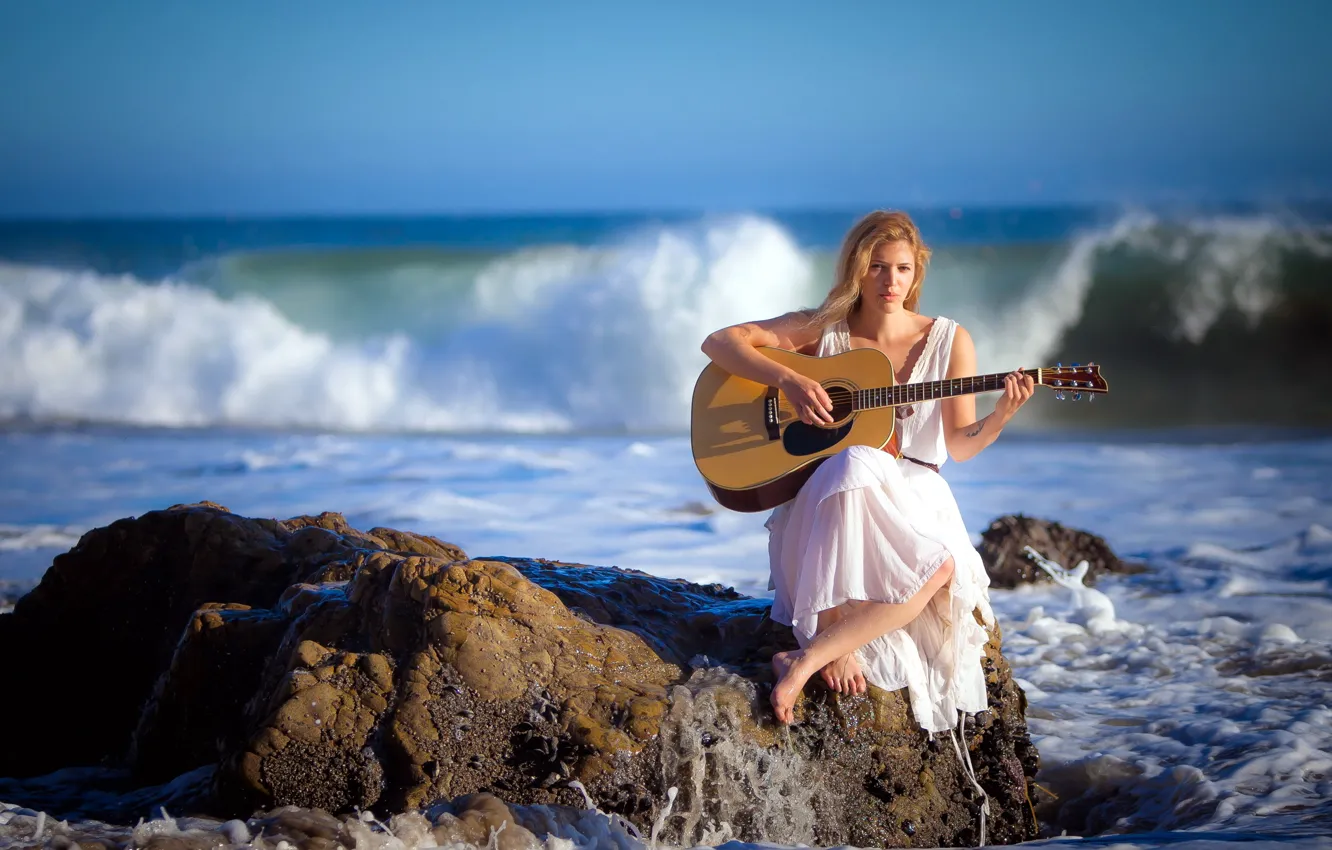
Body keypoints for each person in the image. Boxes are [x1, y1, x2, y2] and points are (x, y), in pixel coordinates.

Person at [700, 210, 1035, 731]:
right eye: (877, 267)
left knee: (941, 566)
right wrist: (787, 379)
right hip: (832, 497)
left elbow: (959, 446)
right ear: (857, 269)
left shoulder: (949, 341)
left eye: (902, 268)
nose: (891, 281)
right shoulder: (823, 329)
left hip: (915, 495)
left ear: (916, 272)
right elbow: (720, 342)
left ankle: (807, 657)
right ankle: (832, 630)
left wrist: (1000, 415)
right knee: (856, 459)